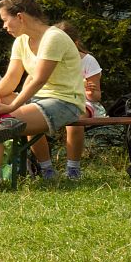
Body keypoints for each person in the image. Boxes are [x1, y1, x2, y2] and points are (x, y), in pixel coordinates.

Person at [0, 0, 85, 194]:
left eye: (5, 20)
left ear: (19, 17)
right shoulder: (20, 41)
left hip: (64, 102)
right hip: (35, 100)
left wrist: (11, 106)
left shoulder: (54, 37)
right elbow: (11, 78)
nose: (4, 26)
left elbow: (38, 79)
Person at [29, 21, 104, 179]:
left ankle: (73, 168)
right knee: (30, 124)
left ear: (74, 44)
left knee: (75, 119)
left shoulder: (88, 61)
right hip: (53, 99)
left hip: (82, 102)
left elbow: (96, 96)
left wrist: (89, 91)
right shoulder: (47, 59)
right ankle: (47, 169)